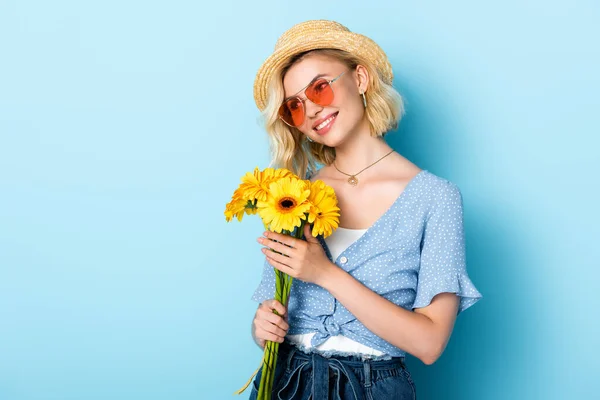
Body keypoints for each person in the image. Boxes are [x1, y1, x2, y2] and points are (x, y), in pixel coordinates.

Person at [248, 20, 483, 400]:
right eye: (295, 106)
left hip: (372, 387)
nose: (310, 111)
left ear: (359, 78)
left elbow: (430, 344)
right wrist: (261, 329)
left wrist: (324, 273)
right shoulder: (292, 194)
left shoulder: (435, 198)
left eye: (320, 88)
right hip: (285, 382)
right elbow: (271, 319)